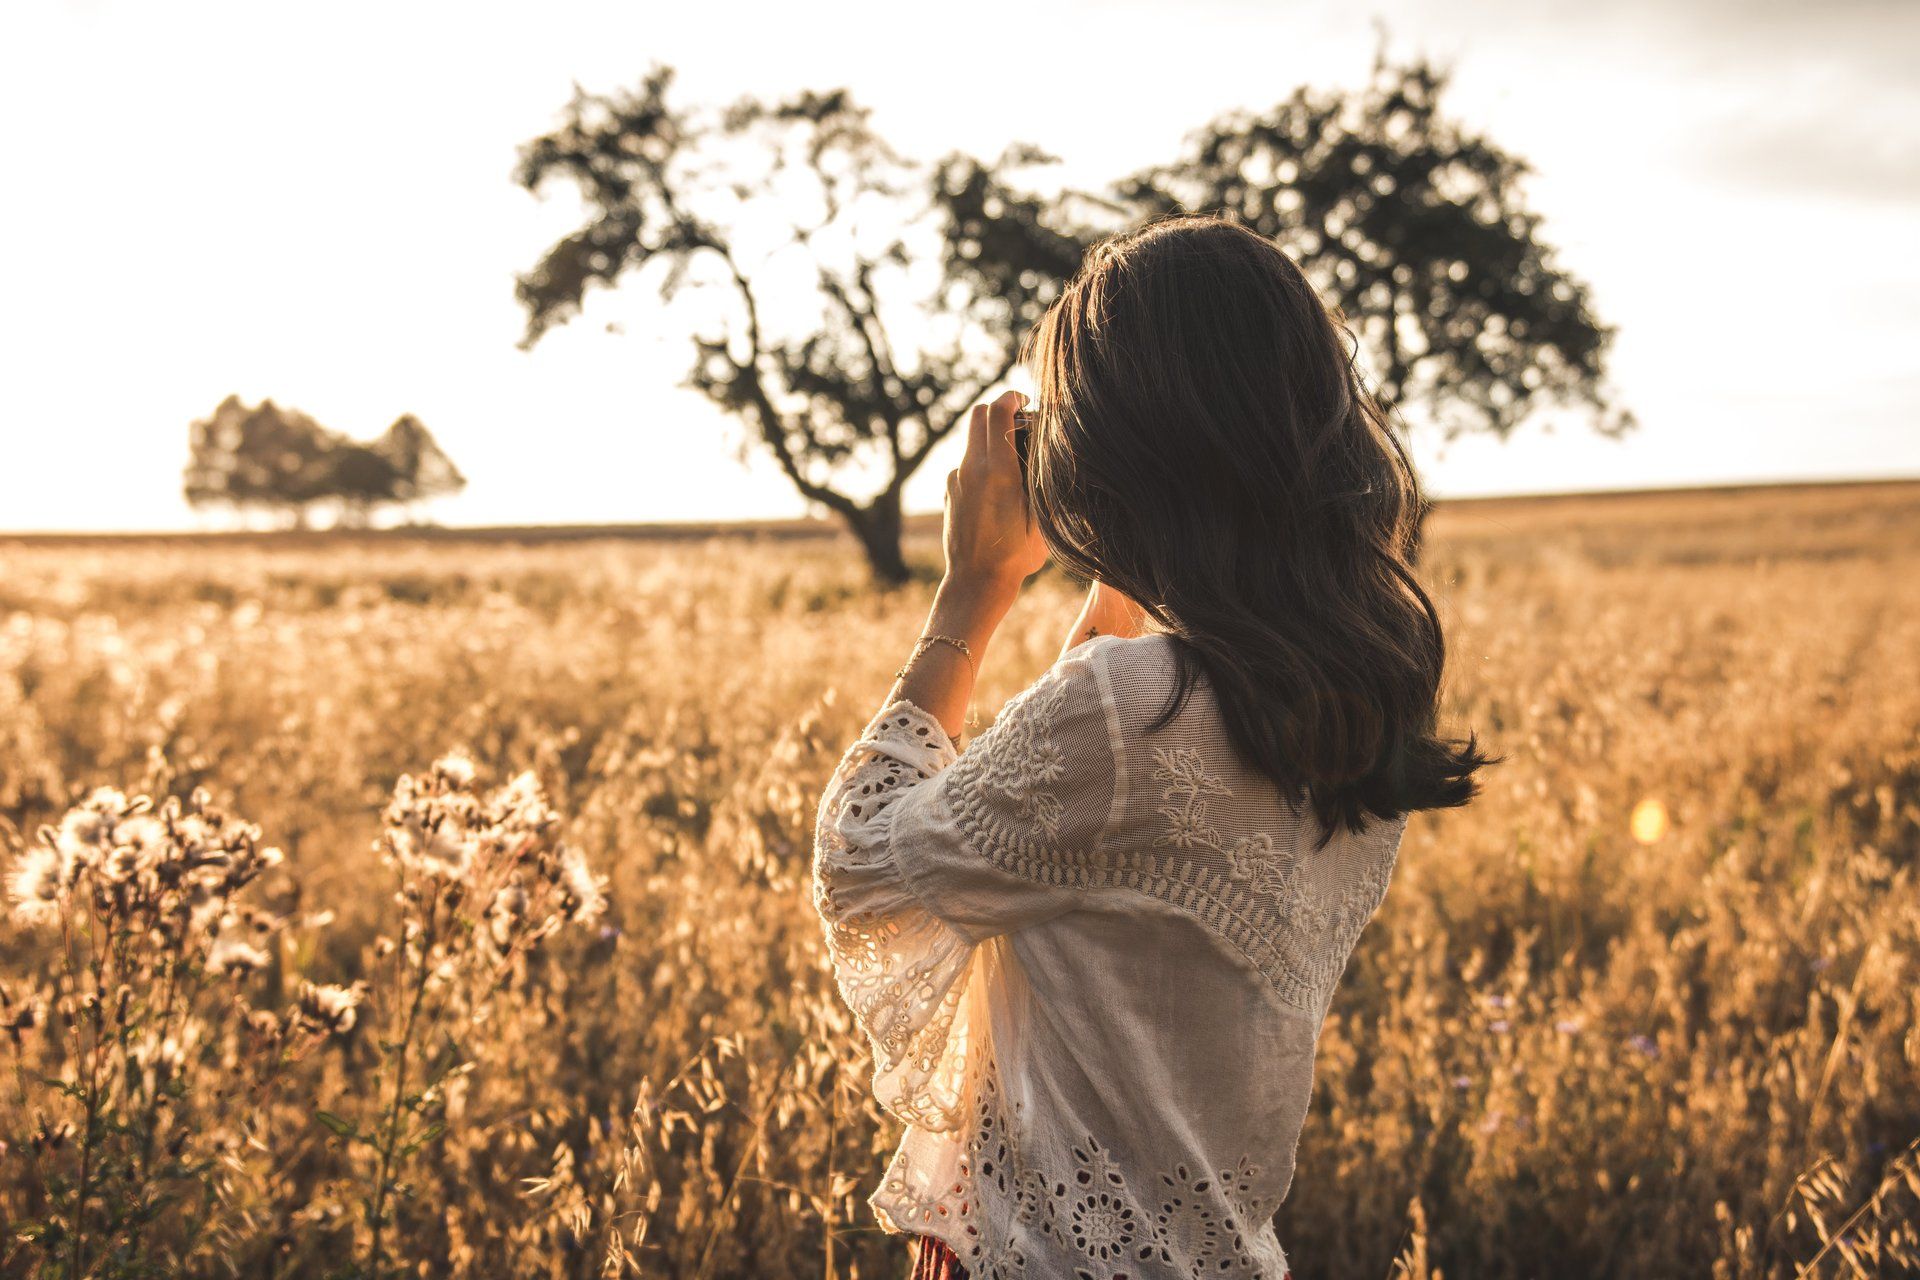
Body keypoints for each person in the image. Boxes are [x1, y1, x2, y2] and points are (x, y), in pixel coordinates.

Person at [811, 213, 1498, 1280]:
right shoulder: (1347, 700)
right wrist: (1129, 572)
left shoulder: (1129, 713)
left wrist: (973, 591)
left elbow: (863, 858)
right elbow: (1084, 823)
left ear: (1121, 453)